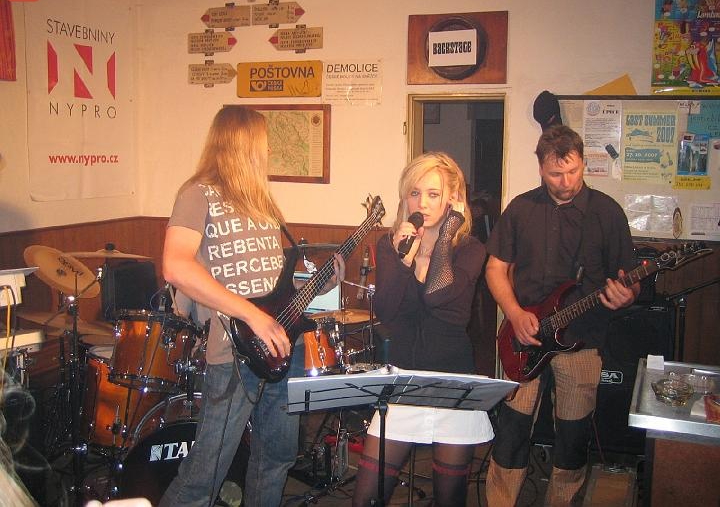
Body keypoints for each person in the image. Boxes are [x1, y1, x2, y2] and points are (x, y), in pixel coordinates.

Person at [158, 106, 343, 507]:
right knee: (205, 474)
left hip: (283, 345)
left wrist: (317, 284)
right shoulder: (198, 193)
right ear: (243, 143)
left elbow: (269, 286)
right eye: (264, 142)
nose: (268, 151)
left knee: (275, 460)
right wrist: (251, 315)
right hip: (235, 352)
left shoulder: (263, 204)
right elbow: (175, 266)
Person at [484, 124, 640, 506]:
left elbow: (629, 280)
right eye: (556, 173)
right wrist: (514, 313)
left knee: (573, 436)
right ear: (541, 168)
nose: (566, 181)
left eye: (573, 170)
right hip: (524, 336)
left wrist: (627, 295)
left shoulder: (607, 212)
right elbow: (494, 268)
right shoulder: (521, 208)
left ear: (583, 162)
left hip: (583, 340)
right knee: (511, 430)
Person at [352, 152, 492, 507]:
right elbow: (385, 312)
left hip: (452, 382)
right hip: (403, 381)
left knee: (449, 499)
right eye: (415, 193)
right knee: (366, 497)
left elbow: (438, 295)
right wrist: (402, 260)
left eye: (433, 194)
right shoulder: (391, 245)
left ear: (452, 199)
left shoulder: (470, 249)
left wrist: (445, 234)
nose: (422, 203)